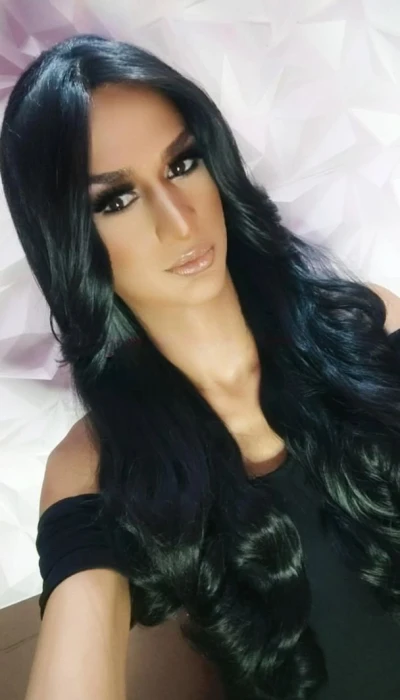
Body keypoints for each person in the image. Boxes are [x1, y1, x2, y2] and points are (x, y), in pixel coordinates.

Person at [1, 33, 400, 700]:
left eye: (182, 164)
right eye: (115, 200)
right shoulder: (94, 464)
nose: (180, 222)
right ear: (68, 238)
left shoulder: (367, 324)